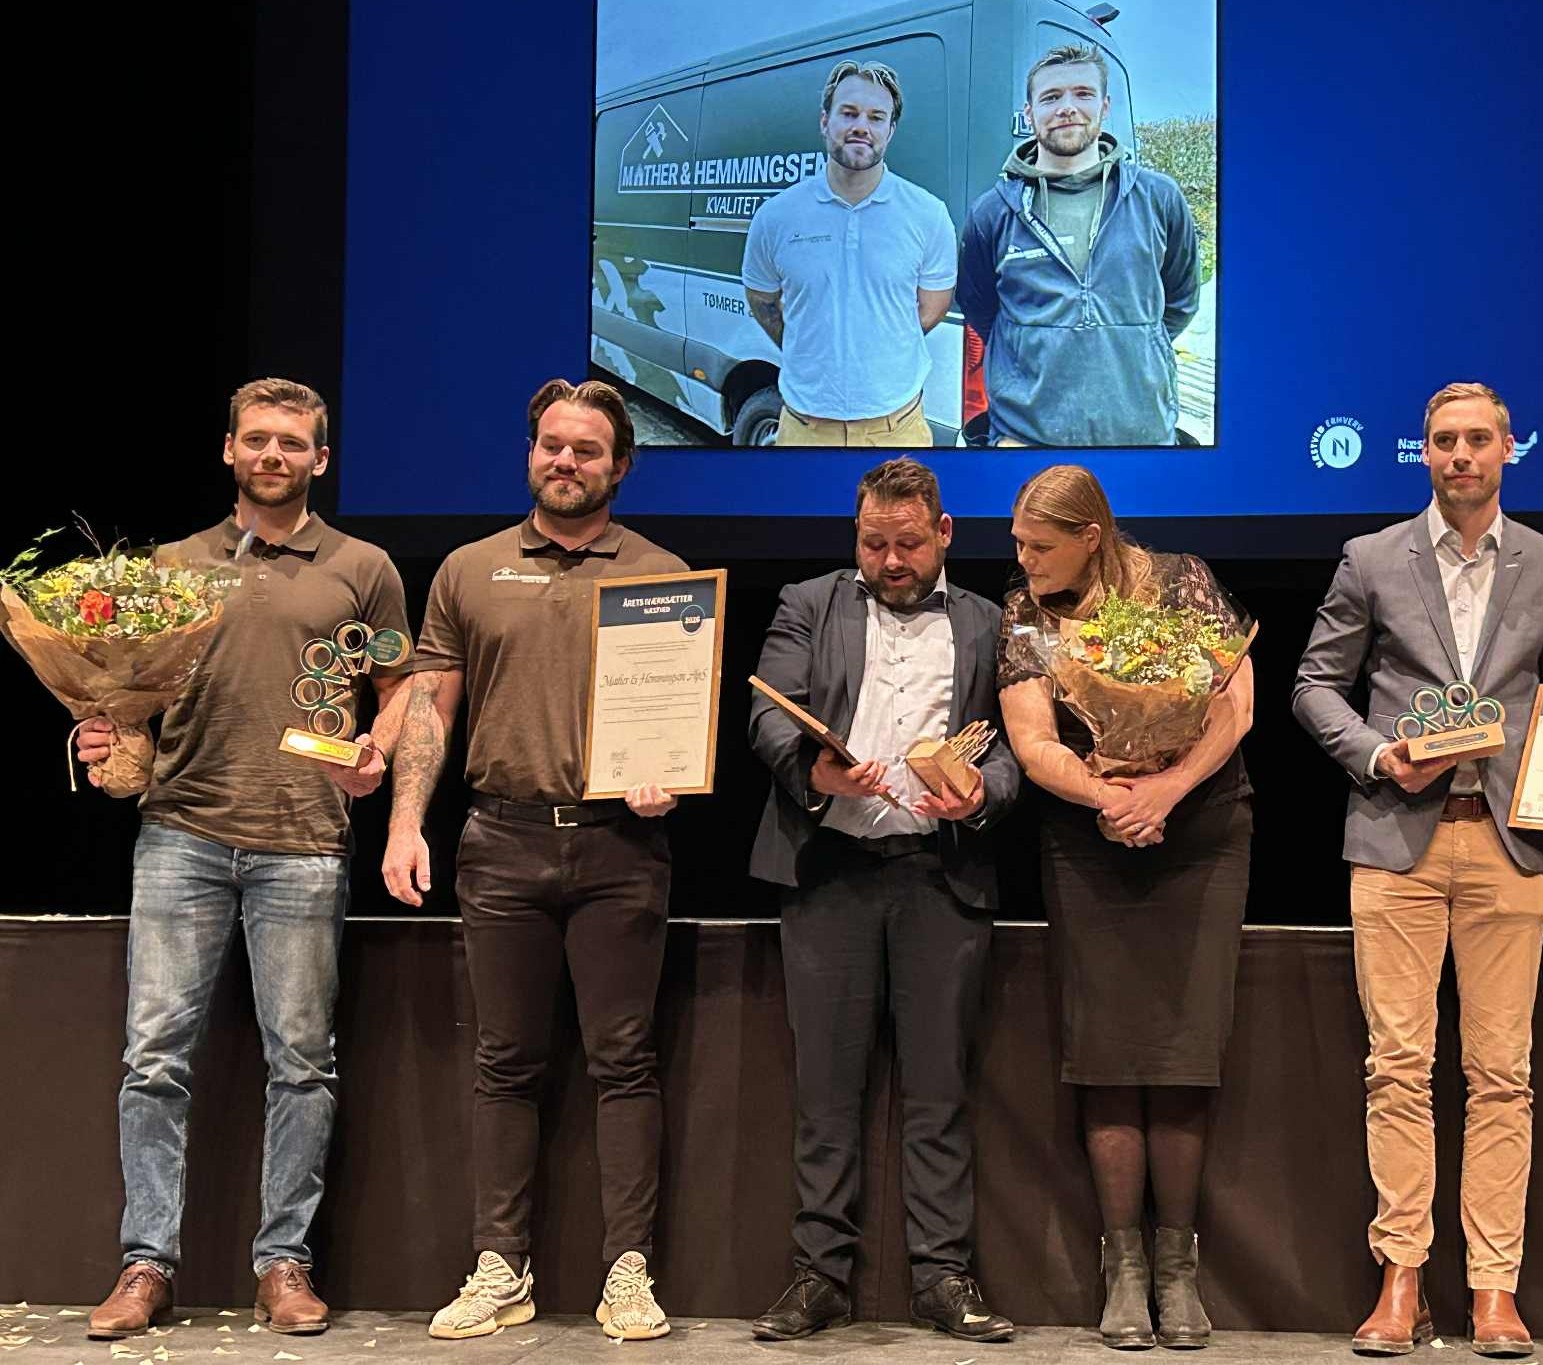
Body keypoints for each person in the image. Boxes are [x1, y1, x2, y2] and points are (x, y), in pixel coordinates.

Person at [80, 379, 410, 1340]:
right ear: (229, 451)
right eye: (257, 440)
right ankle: (146, 1265)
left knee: (303, 1063)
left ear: (321, 459)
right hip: (179, 833)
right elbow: (122, 697)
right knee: (152, 1061)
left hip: (303, 842)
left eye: (292, 443)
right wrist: (102, 743)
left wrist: (378, 750)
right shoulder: (173, 566)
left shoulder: (364, 567)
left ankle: (284, 1264)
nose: (274, 455)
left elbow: (402, 684)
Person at [383, 379, 687, 1343]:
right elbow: (429, 709)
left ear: (620, 466)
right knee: (504, 1062)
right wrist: (403, 823)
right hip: (500, 842)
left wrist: (666, 778)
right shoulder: (469, 570)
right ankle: (499, 1265)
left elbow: (675, 722)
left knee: (624, 1063)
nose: (566, 462)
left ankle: (627, 1272)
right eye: (551, 445)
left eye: (587, 450)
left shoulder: (661, 573)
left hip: (619, 845)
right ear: (530, 454)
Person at [1292, 382, 1543, 1357]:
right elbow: (1312, 688)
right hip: (1395, 841)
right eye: (1441, 442)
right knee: (1396, 1067)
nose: (1459, 455)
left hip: (1507, 844)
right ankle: (1401, 1277)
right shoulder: (1371, 559)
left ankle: (1493, 1288)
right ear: (1420, 454)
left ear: (1510, 448)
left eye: (1476, 440)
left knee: (1501, 1072)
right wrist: (1378, 755)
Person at [746, 458, 1020, 1343]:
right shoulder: (808, 602)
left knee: (938, 1088)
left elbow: (1018, 748)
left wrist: (984, 795)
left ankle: (943, 1276)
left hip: (939, 876)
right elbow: (769, 713)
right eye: (874, 543)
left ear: (943, 535)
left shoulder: (989, 621)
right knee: (827, 1090)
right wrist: (812, 767)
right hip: (829, 868)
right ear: (854, 534)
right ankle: (818, 1275)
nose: (890, 561)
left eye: (907, 544)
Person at [997, 464, 1253, 1349]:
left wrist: (1168, 788)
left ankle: (1178, 1268)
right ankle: (1123, 1267)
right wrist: (1111, 797)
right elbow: (1032, 741)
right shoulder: (1026, 613)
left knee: (1183, 1049)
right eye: (1019, 542)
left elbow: (1234, 706)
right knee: (1105, 1051)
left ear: (1090, 536)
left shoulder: (1181, 581)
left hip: (1202, 830)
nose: (1021, 558)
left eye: (1039, 544)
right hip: (1089, 833)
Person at [956, 44, 1200, 448]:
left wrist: (1128, 339)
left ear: (1105, 106)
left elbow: (1179, 303)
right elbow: (982, 310)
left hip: (1143, 438)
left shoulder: (1159, 197)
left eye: (1082, 94)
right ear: (1030, 113)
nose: (1067, 107)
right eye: (1051, 97)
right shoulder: (992, 212)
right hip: (1025, 443)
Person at [741, 60, 955, 447]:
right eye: (849, 113)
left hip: (898, 430)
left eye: (876, 117)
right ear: (825, 121)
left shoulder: (928, 214)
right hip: (803, 431)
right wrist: (811, 342)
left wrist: (877, 338)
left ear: (890, 131)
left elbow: (931, 309)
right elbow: (762, 300)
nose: (862, 126)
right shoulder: (776, 217)